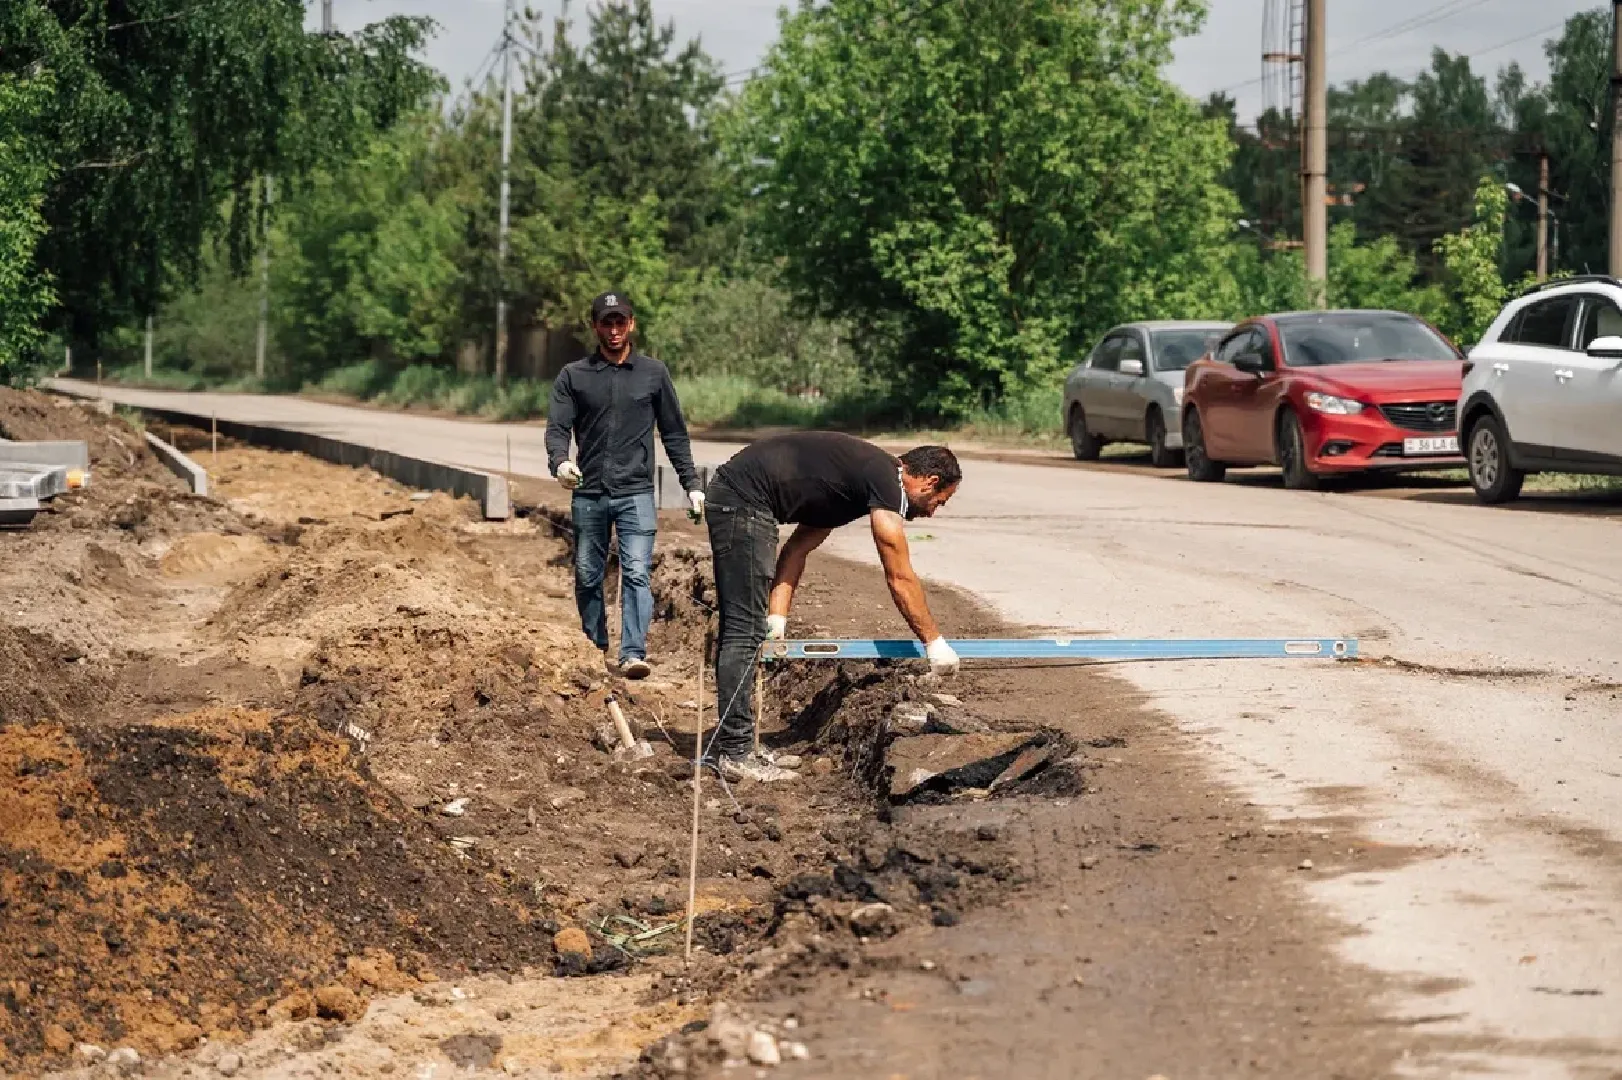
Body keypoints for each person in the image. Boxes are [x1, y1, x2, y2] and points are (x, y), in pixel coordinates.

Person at [704, 432, 963, 781]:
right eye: (939, 502)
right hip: (741, 502)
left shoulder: (850, 485)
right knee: (743, 631)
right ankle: (735, 753)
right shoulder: (886, 482)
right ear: (929, 482)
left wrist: (777, 616)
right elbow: (899, 576)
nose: (932, 512)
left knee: (749, 630)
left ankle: (737, 744)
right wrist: (934, 642)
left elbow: (797, 549)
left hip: (740, 499)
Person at [545, 291, 704, 679]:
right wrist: (560, 462)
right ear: (595, 326)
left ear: (631, 324)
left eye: (620, 322)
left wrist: (692, 484)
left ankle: (632, 653)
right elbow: (557, 428)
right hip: (589, 493)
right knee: (588, 574)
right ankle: (594, 645)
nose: (614, 329)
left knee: (636, 572)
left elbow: (674, 433)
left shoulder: (653, 373)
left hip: (636, 492)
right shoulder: (574, 376)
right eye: (607, 322)